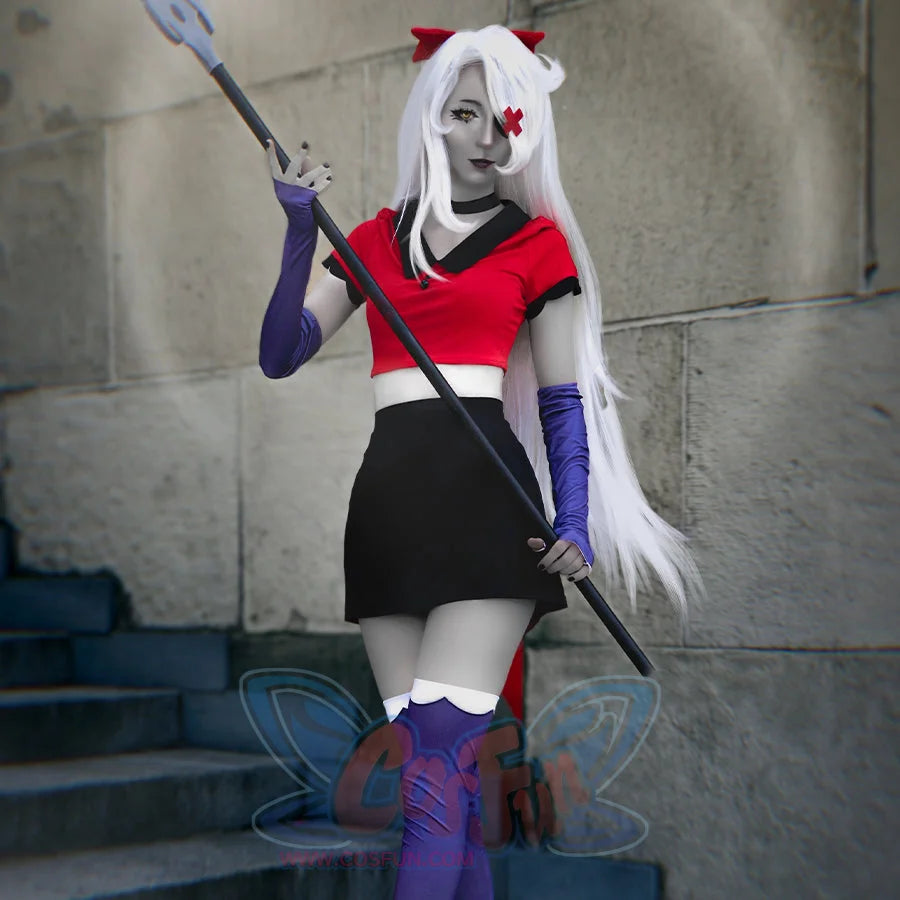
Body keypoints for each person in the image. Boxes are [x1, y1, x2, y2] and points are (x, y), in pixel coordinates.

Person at [258, 24, 701, 899]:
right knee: (437, 786)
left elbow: (565, 402)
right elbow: (280, 354)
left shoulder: (537, 246)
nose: (487, 136)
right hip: (386, 518)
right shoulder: (374, 240)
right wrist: (298, 232)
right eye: (466, 114)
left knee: (432, 780)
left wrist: (573, 520)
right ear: (432, 116)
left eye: (505, 118)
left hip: (489, 518)